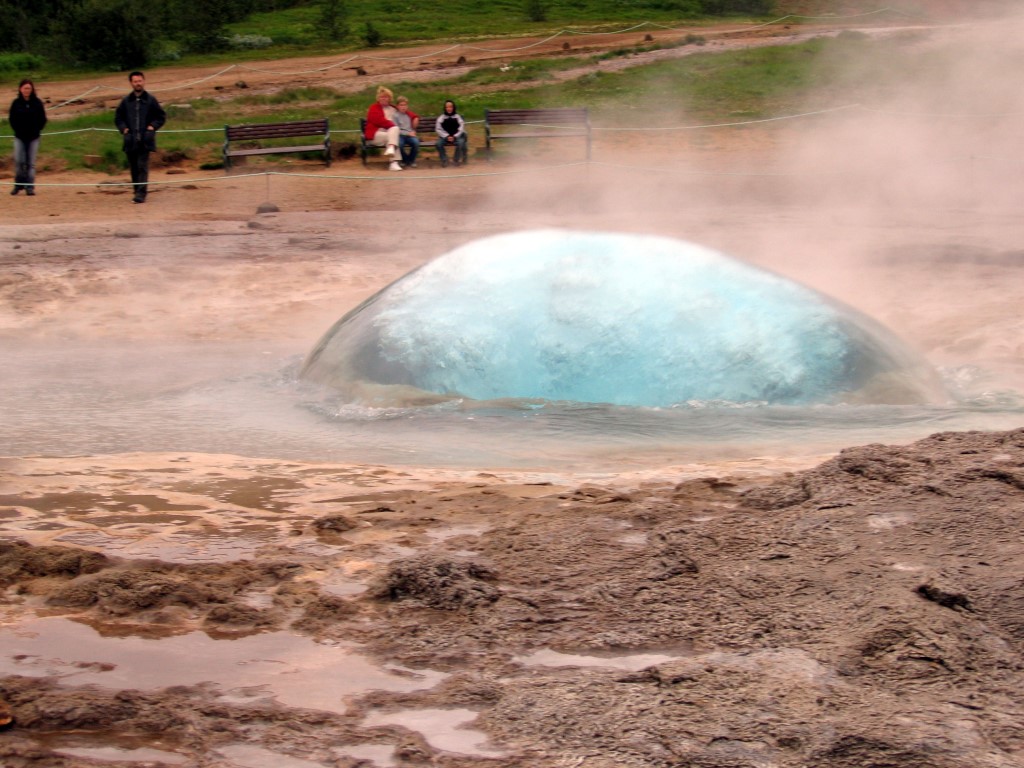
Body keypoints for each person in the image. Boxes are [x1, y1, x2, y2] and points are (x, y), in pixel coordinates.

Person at [114, 71, 166, 204]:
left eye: (140, 81)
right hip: (130, 140)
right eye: (135, 81)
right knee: (134, 167)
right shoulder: (126, 101)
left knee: (142, 166)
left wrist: (152, 126)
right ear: (131, 83)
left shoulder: (150, 100)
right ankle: (136, 190)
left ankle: (141, 194)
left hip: (145, 139)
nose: (138, 83)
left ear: (144, 81)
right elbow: (118, 118)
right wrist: (124, 129)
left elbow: (161, 117)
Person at [8, 78, 47, 196]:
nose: (27, 90)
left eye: (29, 88)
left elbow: (43, 119)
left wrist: (37, 129)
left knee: (31, 163)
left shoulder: (37, 103)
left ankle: (29, 186)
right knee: (19, 161)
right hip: (20, 137)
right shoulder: (16, 103)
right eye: (25, 88)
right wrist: (18, 129)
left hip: (33, 137)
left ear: (32, 89)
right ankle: (18, 185)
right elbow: (11, 119)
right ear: (20, 89)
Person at [364, 86, 402, 171]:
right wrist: (392, 125)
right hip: (375, 134)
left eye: (386, 97)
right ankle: (394, 162)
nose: (383, 98)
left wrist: (414, 117)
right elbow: (379, 121)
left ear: (389, 98)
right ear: (378, 98)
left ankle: (392, 153)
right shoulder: (373, 108)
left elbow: (404, 115)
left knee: (393, 134)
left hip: (389, 134)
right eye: (381, 97)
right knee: (394, 131)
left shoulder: (394, 108)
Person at [435, 100, 468, 167]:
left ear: (453, 108)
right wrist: (447, 136)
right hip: (445, 137)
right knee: (438, 144)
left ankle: (456, 160)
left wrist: (455, 136)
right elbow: (438, 129)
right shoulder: (441, 118)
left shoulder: (457, 117)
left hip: (456, 136)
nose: (449, 109)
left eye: (450, 107)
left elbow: (461, 128)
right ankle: (444, 160)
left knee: (461, 143)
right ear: (445, 108)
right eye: (447, 107)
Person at [393, 95, 420, 168]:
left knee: (416, 143)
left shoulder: (409, 115)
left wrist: (414, 131)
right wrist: (407, 133)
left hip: (410, 135)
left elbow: (413, 125)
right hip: (400, 135)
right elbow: (396, 129)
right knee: (400, 144)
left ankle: (411, 160)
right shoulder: (395, 116)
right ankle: (404, 160)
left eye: (405, 105)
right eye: (401, 105)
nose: (403, 107)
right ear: (397, 106)